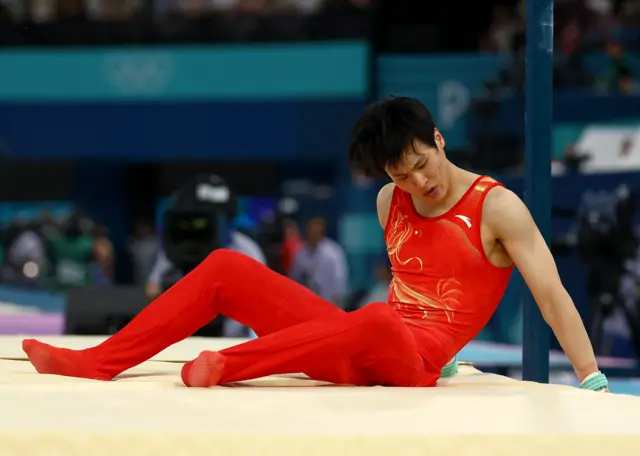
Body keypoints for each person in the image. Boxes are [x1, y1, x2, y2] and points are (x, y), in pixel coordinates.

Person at [21, 97, 608, 391]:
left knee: (377, 319)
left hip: (410, 360)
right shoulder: (389, 201)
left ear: (438, 137)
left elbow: (551, 295)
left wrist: (589, 378)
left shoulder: (497, 207)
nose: (417, 183)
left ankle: (225, 366)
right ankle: (100, 362)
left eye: (421, 165)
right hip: (362, 342)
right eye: (399, 175)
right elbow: (418, 279)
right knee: (227, 265)